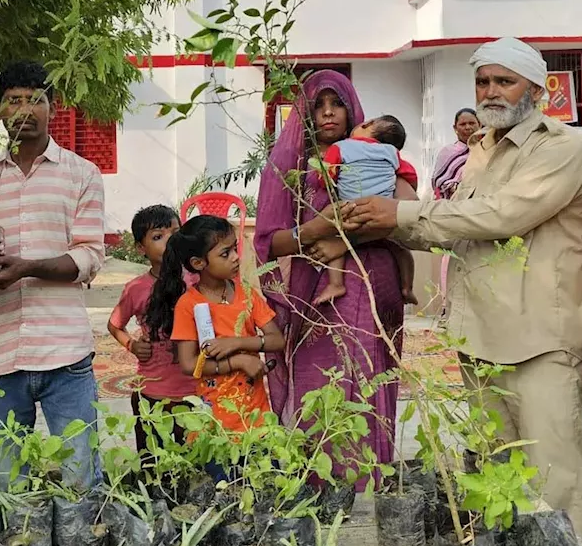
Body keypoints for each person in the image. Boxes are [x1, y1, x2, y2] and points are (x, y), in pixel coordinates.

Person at [340, 37, 582, 546]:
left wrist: (400, 214)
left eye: (504, 80)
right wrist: (375, 220)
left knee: (556, 480)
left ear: (536, 86)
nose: (491, 91)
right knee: (496, 476)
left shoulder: (559, 147)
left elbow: (502, 216)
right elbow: (456, 226)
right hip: (480, 335)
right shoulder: (479, 148)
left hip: (540, 338)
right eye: (483, 81)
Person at [253, 69, 413, 470]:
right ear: (303, 113)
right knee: (319, 381)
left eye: (337, 104)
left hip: (375, 281)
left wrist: (344, 238)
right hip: (316, 292)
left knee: (367, 378)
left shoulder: (376, 155)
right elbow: (270, 241)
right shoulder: (287, 168)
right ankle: (318, 485)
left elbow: (407, 213)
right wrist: (318, 228)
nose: (328, 114)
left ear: (353, 110)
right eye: (318, 105)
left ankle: (366, 485)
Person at [0, 60, 106, 490]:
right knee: (8, 481)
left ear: (53, 107)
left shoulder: (82, 175)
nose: (25, 109)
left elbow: (89, 255)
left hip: (64, 353)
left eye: (35, 99)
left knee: (82, 477)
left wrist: (27, 268)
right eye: (14, 100)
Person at [162, 215, 285, 432]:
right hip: (215, 424)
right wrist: (236, 362)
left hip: (256, 418)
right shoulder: (188, 304)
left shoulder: (246, 293)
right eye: (225, 253)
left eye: (235, 249)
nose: (236, 257)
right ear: (198, 263)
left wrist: (235, 343)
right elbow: (190, 365)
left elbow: (276, 339)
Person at [107, 205, 197, 453]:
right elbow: (115, 325)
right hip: (154, 391)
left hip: (197, 389)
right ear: (140, 248)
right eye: (158, 237)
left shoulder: (199, 279)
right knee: (154, 461)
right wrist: (132, 345)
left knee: (197, 460)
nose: (169, 241)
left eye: (175, 232)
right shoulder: (136, 288)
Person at [314, 115, 416, 306]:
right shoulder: (391, 152)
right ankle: (407, 287)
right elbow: (409, 173)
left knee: (336, 244)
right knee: (401, 249)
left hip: (351, 212)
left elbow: (325, 177)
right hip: (383, 214)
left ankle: (336, 284)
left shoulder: (341, 146)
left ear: (366, 124)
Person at [431, 108, 480, 200]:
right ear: (455, 128)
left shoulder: (486, 150)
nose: (467, 127)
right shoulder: (447, 152)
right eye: (462, 124)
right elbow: (439, 182)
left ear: (480, 125)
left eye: (472, 123)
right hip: (452, 203)